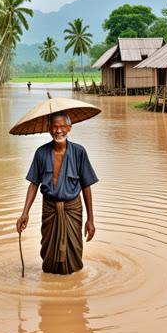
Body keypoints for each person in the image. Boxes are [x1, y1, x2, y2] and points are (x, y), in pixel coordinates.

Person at [16, 111, 98, 274]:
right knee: (48, 251)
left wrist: (90, 219)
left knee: (74, 251)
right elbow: (33, 184)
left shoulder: (79, 152)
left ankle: (73, 287)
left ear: (69, 128)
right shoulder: (41, 153)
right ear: (48, 130)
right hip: (50, 210)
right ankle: (50, 285)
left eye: (62, 126)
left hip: (72, 209)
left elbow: (86, 186)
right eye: (54, 127)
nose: (58, 130)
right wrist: (24, 213)